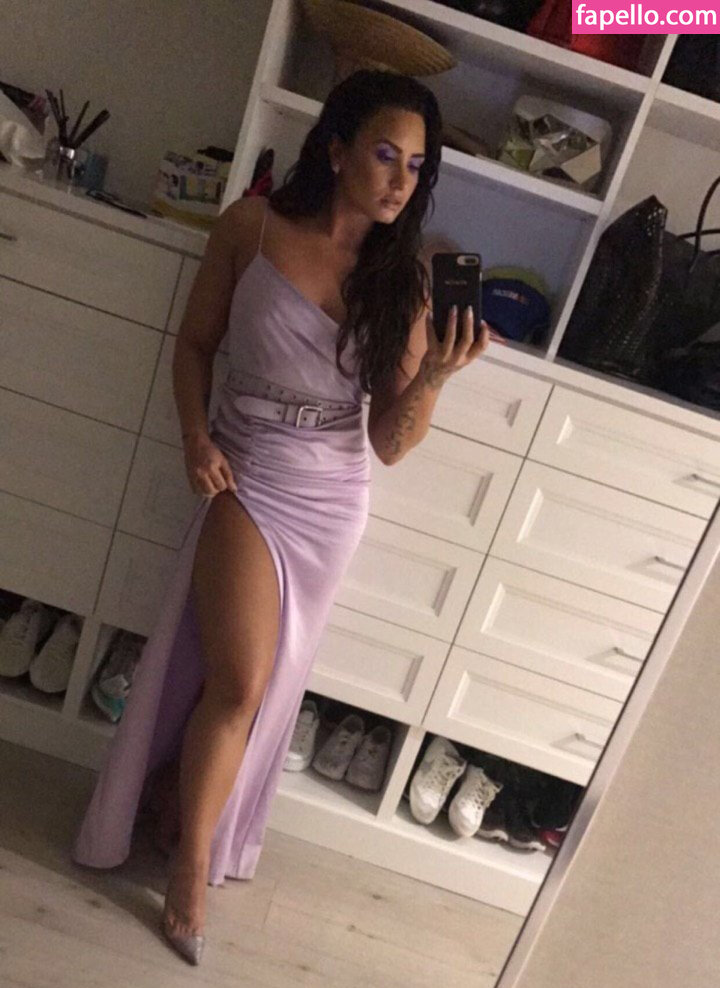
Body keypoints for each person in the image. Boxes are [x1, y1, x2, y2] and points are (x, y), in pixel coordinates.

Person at [71, 69, 504, 966]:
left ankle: (178, 806)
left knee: (262, 688)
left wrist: (433, 376)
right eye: (385, 155)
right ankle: (191, 872)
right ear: (336, 149)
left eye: (417, 166)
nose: (401, 180)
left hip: (332, 495)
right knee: (238, 683)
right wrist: (194, 438)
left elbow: (388, 443)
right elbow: (196, 344)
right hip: (245, 470)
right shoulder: (250, 227)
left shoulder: (402, 283)